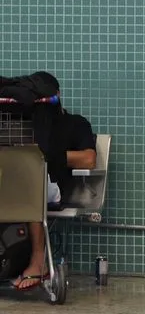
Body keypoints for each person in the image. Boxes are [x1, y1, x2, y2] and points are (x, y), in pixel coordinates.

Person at [13, 99, 97, 291]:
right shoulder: (25, 123)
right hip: (16, 184)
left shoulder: (76, 123)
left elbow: (89, 159)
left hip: (53, 186)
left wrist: (50, 155)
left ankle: (38, 263)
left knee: (32, 183)